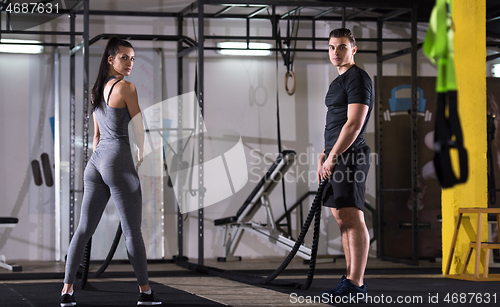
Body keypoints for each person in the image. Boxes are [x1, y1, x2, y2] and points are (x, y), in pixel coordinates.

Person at [60, 37, 161, 306]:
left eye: (133, 59)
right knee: (132, 232)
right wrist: (139, 154)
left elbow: (95, 136)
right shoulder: (127, 88)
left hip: (96, 163)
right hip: (118, 159)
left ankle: (67, 290)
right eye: (125, 57)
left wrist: (101, 158)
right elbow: (138, 127)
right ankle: (146, 292)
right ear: (111, 59)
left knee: (83, 229)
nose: (130, 63)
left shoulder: (95, 91)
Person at [317, 28, 373, 303]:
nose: (335, 52)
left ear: (353, 49)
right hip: (336, 155)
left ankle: (356, 284)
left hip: (350, 156)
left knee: (352, 218)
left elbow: (353, 124)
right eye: (331, 47)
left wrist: (333, 156)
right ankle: (350, 278)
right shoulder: (337, 81)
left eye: (341, 47)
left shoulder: (358, 79)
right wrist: (324, 154)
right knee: (341, 219)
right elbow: (335, 122)